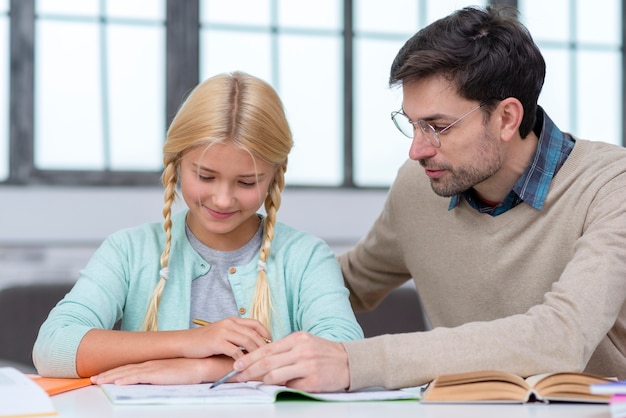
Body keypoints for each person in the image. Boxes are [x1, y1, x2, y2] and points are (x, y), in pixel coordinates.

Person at [229, 5, 626, 392]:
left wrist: (356, 362)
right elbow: (344, 282)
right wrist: (205, 289)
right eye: (412, 124)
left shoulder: (611, 185)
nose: (417, 150)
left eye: (437, 127)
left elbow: (561, 337)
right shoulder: (419, 187)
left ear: (507, 118)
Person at [33, 71, 363, 383]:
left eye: (246, 182)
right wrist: (190, 342)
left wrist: (208, 368)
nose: (222, 199)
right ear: (176, 164)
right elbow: (53, 348)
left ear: (276, 175)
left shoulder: (305, 258)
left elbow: (344, 355)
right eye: (205, 177)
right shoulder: (129, 250)